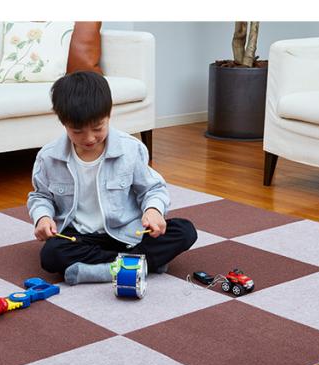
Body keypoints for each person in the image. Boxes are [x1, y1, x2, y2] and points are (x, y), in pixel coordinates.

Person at [27, 71, 197, 285]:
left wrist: (153, 211)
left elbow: (152, 189)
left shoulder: (130, 149)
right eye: (77, 131)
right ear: (63, 123)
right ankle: (141, 263)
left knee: (185, 230)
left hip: (128, 234)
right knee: (51, 254)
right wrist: (43, 217)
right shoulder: (49, 157)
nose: (89, 138)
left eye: (97, 128)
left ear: (109, 115)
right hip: (79, 236)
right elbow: (40, 196)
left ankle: (100, 270)